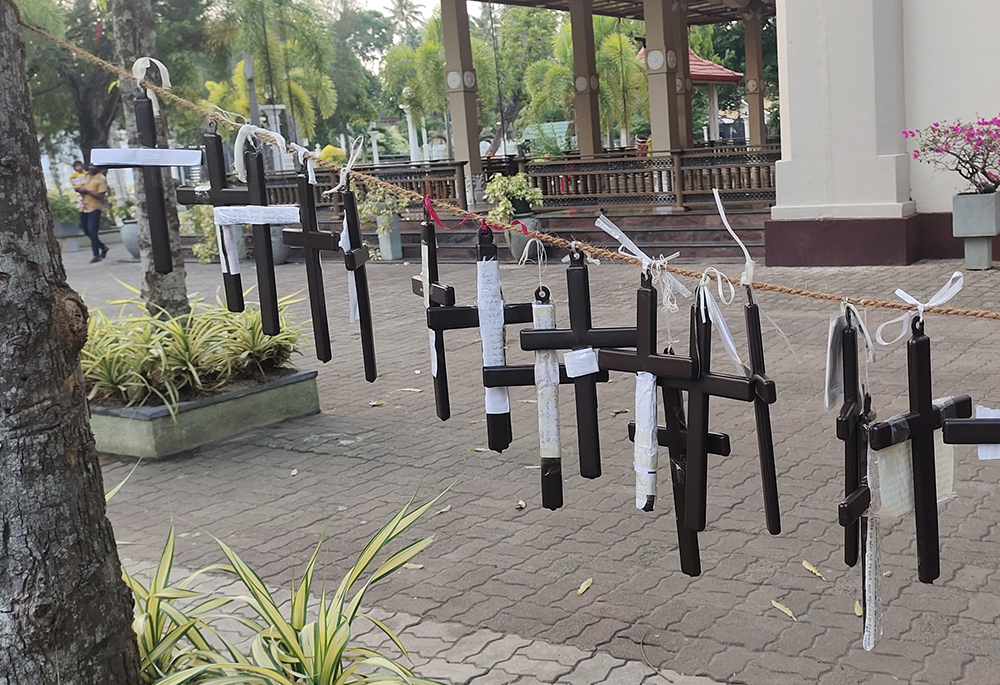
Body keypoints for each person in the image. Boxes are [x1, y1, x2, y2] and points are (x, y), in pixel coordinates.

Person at [75, 163, 109, 263]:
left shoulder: (101, 179)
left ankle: (96, 255)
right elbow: (78, 186)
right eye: (90, 165)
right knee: (86, 231)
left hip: (94, 208)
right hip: (84, 207)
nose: (91, 168)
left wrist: (87, 191)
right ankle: (103, 247)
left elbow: (100, 196)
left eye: (93, 166)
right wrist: (79, 189)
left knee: (92, 231)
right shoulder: (85, 176)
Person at [69, 160, 88, 235]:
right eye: (77, 166)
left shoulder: (86, 174)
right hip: (79, 190)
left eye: (80, 166)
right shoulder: (74, 175)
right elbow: (72, 181)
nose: (79, 168)